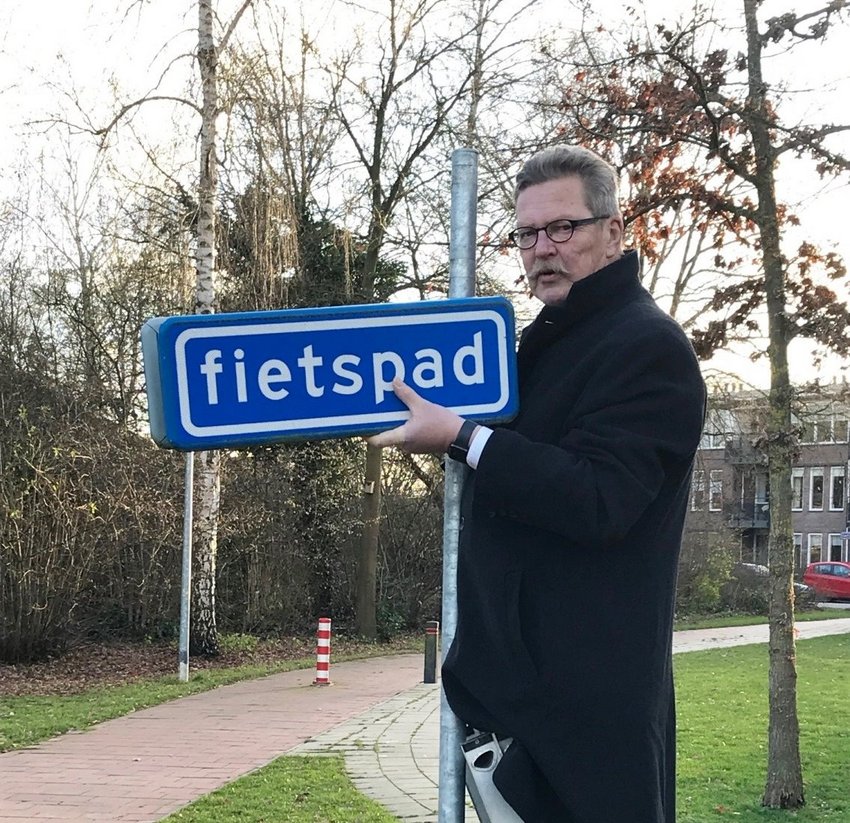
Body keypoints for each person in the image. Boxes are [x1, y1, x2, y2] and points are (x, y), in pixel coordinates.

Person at [369, 145, 706, 822]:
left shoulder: (648, 347)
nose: (541, 249)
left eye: (562, 228)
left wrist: (464, 436)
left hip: (584, 732)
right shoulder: (541, 346)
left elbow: (598, 498)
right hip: (520, 714)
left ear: (613, 232)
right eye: (526, 234)